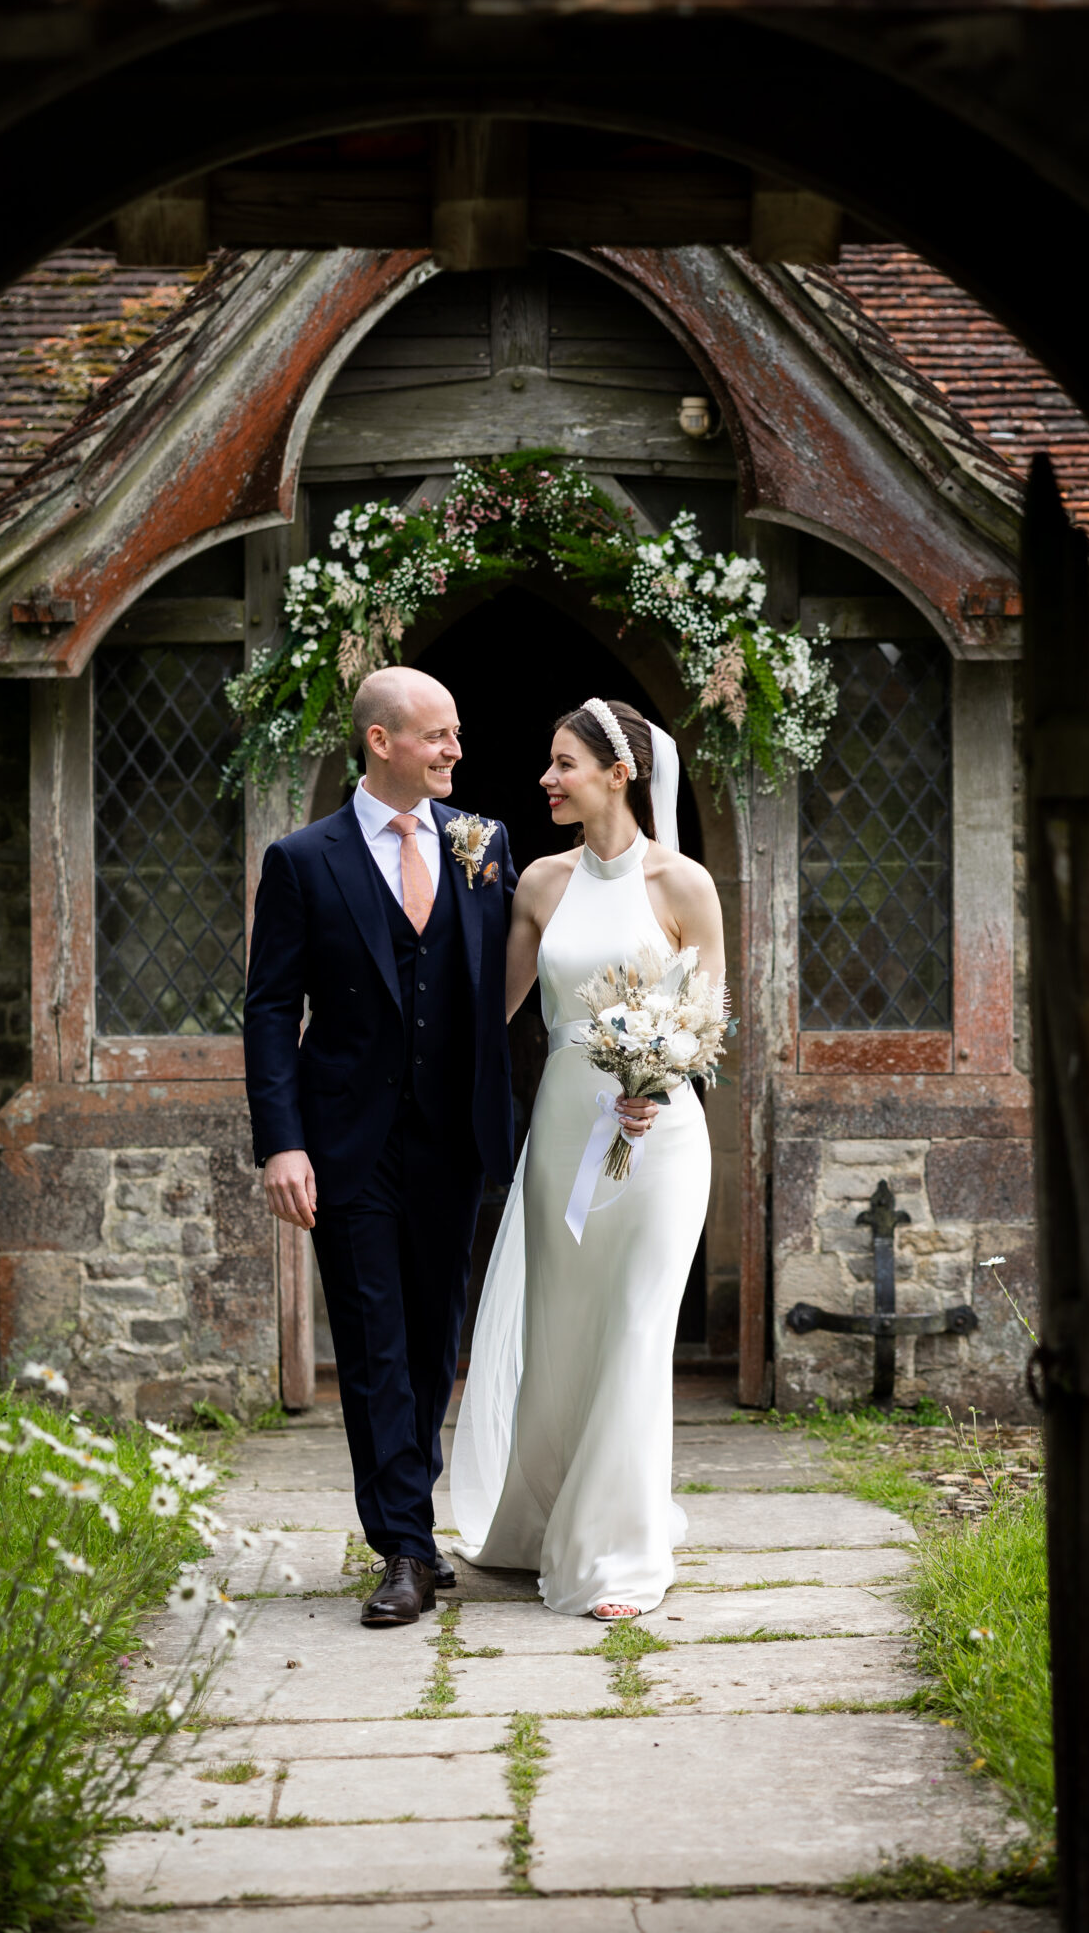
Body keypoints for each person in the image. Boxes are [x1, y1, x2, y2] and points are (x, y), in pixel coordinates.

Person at [240, 666, 518, 1627]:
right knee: (371, 1343)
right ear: (381, 742)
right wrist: (281, 1145)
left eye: (454, 735)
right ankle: (402, 1543)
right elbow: (271, 1008)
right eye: (437, 735)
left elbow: (522, 976)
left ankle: (413, 1519)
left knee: (436, 1337)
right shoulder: (303, 860)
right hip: (345, 1140)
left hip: (453, 1137)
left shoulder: (485, 845)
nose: (453, 751)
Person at [451, 697, 724, 1619]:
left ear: (620, 773)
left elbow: (708, 1017)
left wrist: (663, 1074)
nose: (546, 779)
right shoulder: (538, 883)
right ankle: (540, 1522)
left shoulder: (683, 885)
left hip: (662, 1137)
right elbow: (490, 1011)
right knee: (561, 1336)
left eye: (563, 763)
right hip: (566, 1125)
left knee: (639, 1331)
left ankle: (616, 1554)